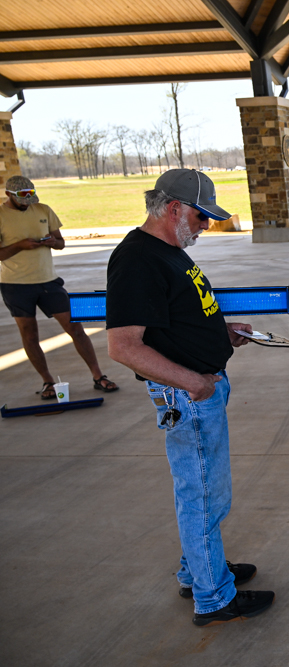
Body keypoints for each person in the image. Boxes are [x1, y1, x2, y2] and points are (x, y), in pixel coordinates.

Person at [105, 169, 273, 627]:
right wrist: (192, 383)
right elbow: (123, 347)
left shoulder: (167, 251)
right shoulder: (137, 260)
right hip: (188, 396)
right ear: (173, 208)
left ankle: (199, 570)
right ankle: (213, 597)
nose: (207, 225)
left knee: (205, 491)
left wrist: (221, 332)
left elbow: (174, 317)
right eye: (201, 216)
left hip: (200, 387)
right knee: (202, 493)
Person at [0, 175, 117, 398]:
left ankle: (98, 376)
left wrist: (54, 243)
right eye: (22, 197)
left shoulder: (43, 210)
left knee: (76, 328)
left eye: (30, 196)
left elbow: (61, 243)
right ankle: (48, 382)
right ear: (8, 194)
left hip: (48, 281)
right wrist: (20, 245)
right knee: (29, 335)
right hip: (15, 285)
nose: (27, 202)